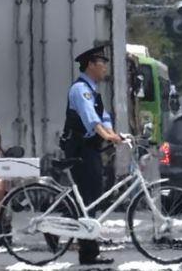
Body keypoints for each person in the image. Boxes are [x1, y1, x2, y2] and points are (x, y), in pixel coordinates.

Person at [60, 44, 123, 266]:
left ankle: (88, 248)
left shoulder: (93, 90)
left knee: (94, 195)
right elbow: (90, 119)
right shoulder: (80, 89)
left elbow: (103, 117)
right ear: (90, 65)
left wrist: (114, 135)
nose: (105, 67)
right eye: (101, 63)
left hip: (90, 148)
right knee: (89, 197)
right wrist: (106, 135)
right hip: (80, 149)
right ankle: (87, 251)